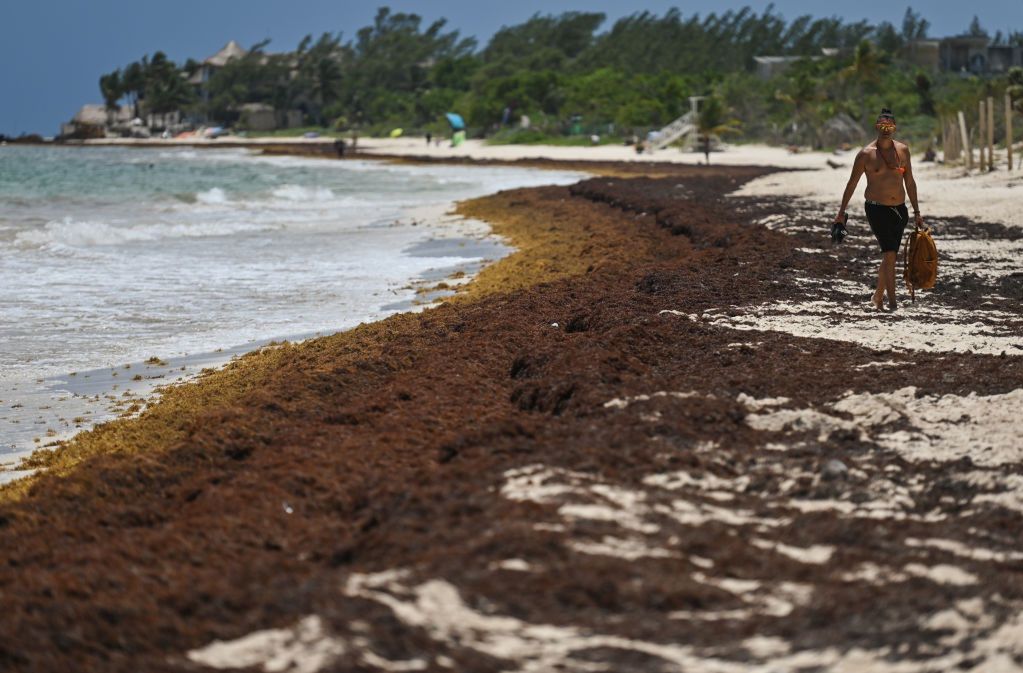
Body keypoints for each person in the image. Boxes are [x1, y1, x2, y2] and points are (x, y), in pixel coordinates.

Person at [834, 108, 923, 311]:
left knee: (889, 256)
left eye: (889, 126)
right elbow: (852, 184)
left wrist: (917, 212)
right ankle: (892, 303)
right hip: (876, 209)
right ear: (877, 127)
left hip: (900, 210)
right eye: (882, 126)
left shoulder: (903, 151)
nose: (885, 130)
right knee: (890, 255)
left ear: (894, 128)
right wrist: (841, 212)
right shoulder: (865, 155)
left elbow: (910, 182)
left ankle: (877, 297)